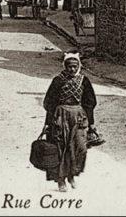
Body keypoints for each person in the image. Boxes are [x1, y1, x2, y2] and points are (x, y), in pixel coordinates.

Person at [42, 53, 98, 193]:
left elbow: (90, 102)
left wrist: (90, 123)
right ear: (65, 66)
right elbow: (49, 102)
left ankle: (72, 174)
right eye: (69, 67)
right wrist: (49, 123)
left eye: (75, 66)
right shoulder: (58, 80)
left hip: (78, 117)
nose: (72, 69)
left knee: (79, 147)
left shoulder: (84, 80)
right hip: (61, 117)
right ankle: (61, 179)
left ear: (79, 66)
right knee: (60, 148)